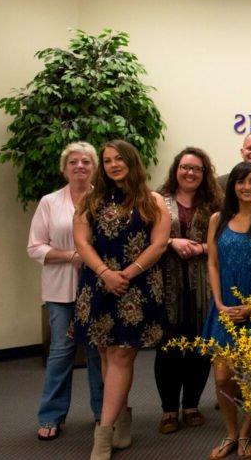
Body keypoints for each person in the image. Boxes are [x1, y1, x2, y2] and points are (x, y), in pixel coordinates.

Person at [71, 140, 171, 460]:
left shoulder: (152, 200)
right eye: (107, 160)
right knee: (105, 353)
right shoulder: (91, 199)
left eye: (119, 159)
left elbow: (158, 244)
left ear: (131, 161)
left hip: (137, 287)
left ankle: (104, 432)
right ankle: (122, 420)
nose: (113, 165)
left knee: (121, 357)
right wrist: (105, 273)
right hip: (99, 285)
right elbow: (81, 242)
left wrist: (125, 274)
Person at [203, 162, 251, 459]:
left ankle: (247, 434)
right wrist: (219, 302)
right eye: (240, 182)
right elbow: (212, 263)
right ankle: (230, 434)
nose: (246, 187)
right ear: (232, 186)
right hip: (223, 306)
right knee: (223, 378)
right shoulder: (217, 219)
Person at [29, 141, 104, 441]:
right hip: (61, 291)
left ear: (93, 167)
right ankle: (51, 415)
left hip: (99, 289)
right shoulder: (49, 202)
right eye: (73, 162)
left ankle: (103, 414)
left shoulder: (105, 199)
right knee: (61, 353)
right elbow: (36, 246)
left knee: (99, 353)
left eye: (86, 161)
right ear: (64, 168)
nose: (80, 167)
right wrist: (74, 256)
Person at [154, 147, 221, 435]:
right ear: (176, 170)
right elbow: (147, 238)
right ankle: (169, 410)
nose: (190, 173)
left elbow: (224, 241)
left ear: (204, 173)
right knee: (167, 349)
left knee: (199, 349)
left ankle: (192, 405)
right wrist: (171, 242)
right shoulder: (158, 200)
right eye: (185, 167)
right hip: (166, 285)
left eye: (196, 168)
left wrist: (201, 248)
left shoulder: (215, 203)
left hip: (203, 286)